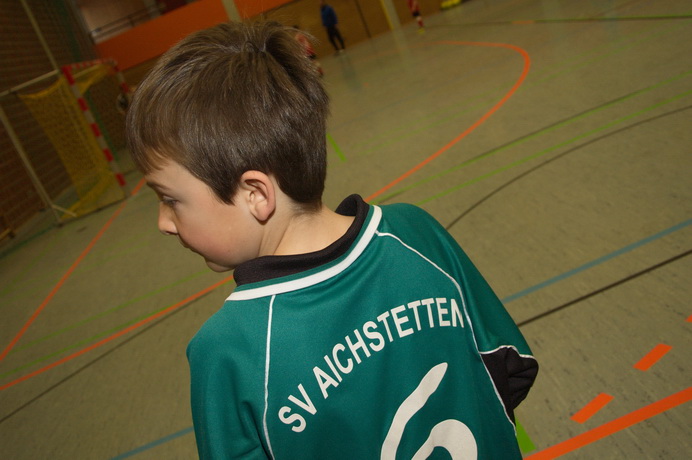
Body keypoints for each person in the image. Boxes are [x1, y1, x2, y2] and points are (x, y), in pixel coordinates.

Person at [126, 21, 538, 459]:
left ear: (255, 194)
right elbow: (508, 367)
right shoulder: (416, 234)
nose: (163, 222)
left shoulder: (228, 352)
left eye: (170, 199)